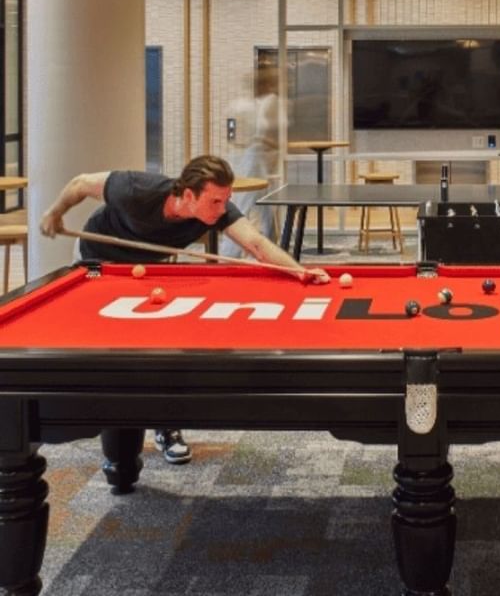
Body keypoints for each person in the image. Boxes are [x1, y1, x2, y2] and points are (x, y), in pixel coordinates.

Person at [40, 154, 329, 464]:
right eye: (215, 201)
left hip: (143, 269)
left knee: (157, 343)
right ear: (188, 195)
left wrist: (299, 271)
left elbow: (256, 244)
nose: (222, 209)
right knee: (107, 337)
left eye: (225, 201)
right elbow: (80, 183)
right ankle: (111, 422)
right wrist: (55, 213)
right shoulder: (136, 189)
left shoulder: (217, 212)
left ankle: (166, 426)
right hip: (97, 262)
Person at [220, 64, 281, 255]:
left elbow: (231, 135)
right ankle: (228, 254)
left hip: (245, 155)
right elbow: (257, 136)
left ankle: (273, 246)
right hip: (250, 156)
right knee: (244, 205)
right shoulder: (255, 106)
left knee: (264, 205)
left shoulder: (245, 105)